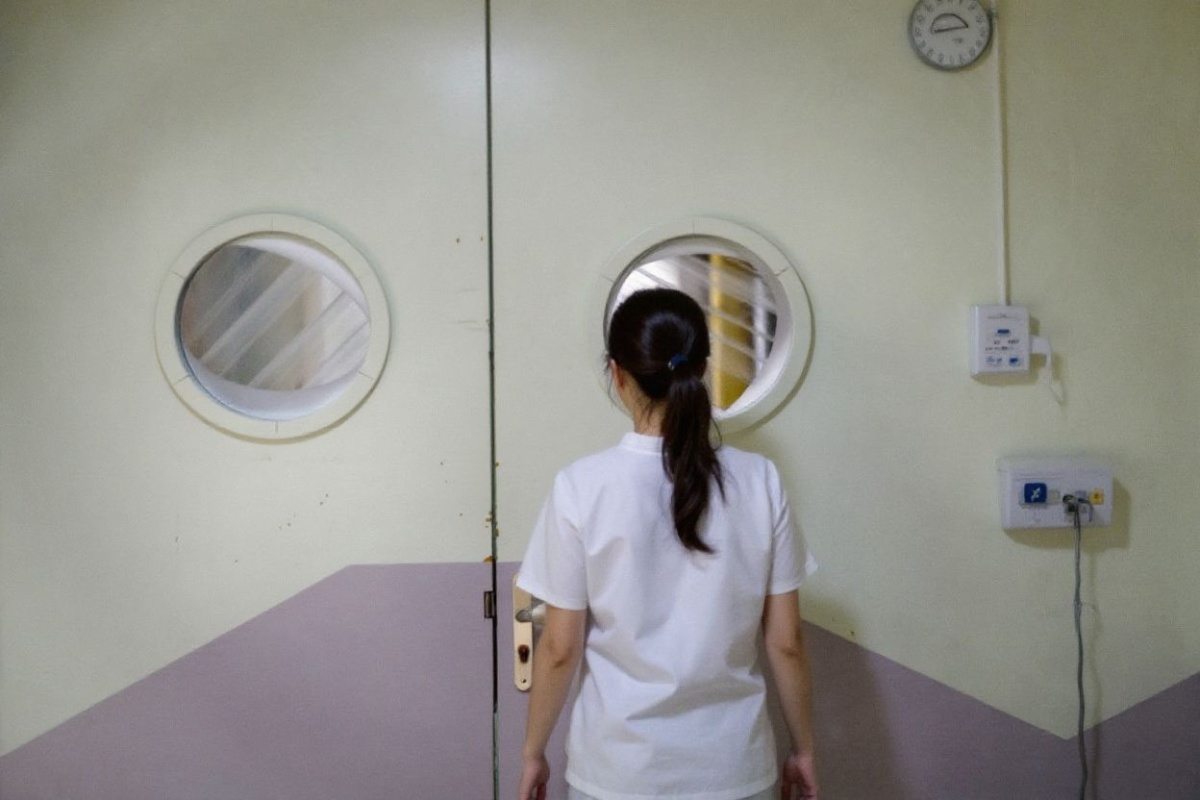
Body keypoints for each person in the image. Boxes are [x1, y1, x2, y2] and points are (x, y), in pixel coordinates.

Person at [516, 287, 820, 800]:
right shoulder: (761, 480)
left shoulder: (581, 486)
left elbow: (560, 648)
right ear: (702, 368)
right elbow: (786, 641)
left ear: (617, 374)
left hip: (616, 773)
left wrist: (532, 753)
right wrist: (804, 749)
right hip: (734, 770)